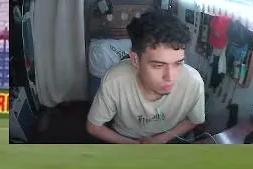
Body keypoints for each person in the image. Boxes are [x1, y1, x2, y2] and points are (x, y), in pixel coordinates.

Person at [86, 11, 205, 144]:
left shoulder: (193, 81)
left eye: (178, 63)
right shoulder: (114, 80)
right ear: (135, 60)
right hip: (126, 140)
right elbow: (94, 127)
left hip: (172, 138)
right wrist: (133, 145)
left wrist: (161, 139)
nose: (170, 77)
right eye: (158, 66)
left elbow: (195, 120)